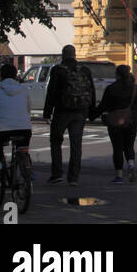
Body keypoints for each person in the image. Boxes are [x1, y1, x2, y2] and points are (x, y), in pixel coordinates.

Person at [43, 44, 96, 185]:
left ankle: (57, 174)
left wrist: (47, 113)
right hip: (80, 112)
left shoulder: (58, 70)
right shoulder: (85, 70)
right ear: (75, 54)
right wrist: (91, 112)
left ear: (63, 55)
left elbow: (51, 93)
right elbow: (92, 90)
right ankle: (73, 178)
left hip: (62, 111)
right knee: (76, 144)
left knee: (55, 141)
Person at [95, 65, 137, 184]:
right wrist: (135, 120)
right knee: (129, 146)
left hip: (115, 122)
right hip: (131, 122)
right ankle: (131, 165)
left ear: (117, 75)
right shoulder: (135, 89)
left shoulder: (111, 88)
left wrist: (92, 114)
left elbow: (103, 106)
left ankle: (119, 176)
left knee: (117, 148)